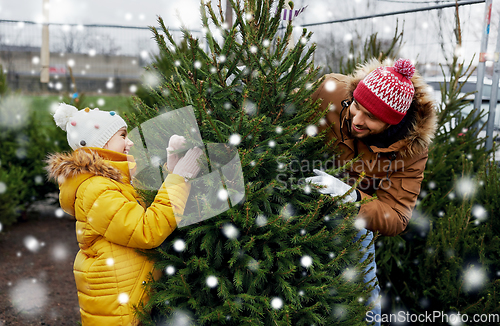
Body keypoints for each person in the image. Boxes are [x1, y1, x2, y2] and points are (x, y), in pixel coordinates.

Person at [45, 103, 203, 326]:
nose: (130, 142)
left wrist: (171, 167)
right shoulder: (96, 189)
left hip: (129, 292)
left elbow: (141, 209)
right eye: (122, 135)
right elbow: (146, 230)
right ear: (102, 143)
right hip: (121, 307)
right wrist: (180, 179)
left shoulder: (111, 182)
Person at [305, 58, 436, 325]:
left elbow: (397, 215)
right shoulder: (329, 90)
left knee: (363, 292)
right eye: (357, 106)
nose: (357, 120)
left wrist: (351, 197)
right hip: (302, 195)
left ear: (393, 124)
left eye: (372, 117)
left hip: (354, 214)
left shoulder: (411, 149)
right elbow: (277, 111)